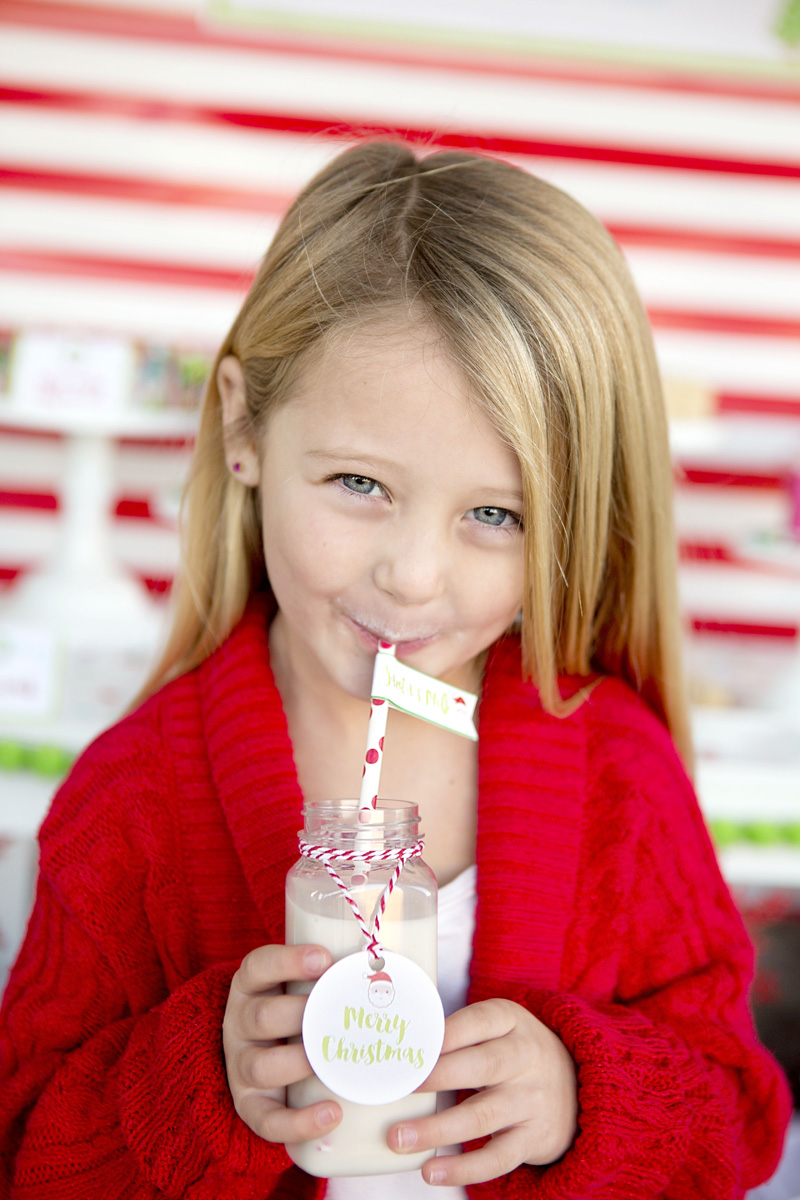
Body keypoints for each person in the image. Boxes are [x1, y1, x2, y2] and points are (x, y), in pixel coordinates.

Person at [0, 140, 791, 1200]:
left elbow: (736, 1120)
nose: (413, 575)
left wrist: (578, 1095)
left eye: (494, 514)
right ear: (243, 423)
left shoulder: (616, 777)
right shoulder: (133, 802)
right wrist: (203, 1082)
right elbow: (27, 1153)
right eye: (359, 483)